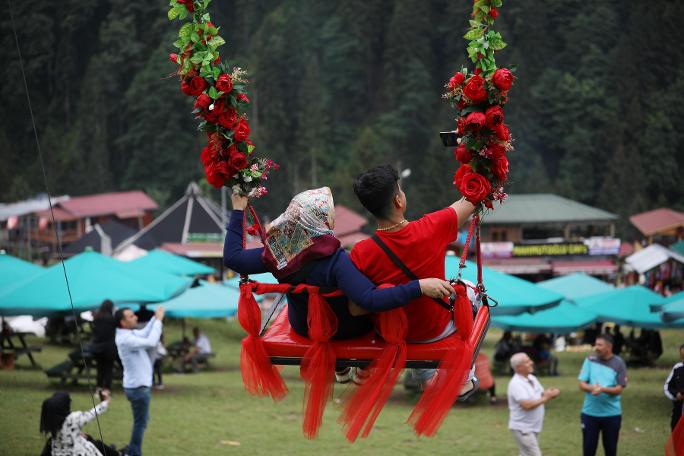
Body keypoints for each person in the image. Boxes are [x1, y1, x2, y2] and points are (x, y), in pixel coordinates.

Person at [224, 187, 454, 339]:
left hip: (302, 327)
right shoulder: (336, 261)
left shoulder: (279, 254)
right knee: (373, 299)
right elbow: (370, 299)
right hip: (341, 330)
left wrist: (238, 210)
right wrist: (419, 286)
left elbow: (233, 258)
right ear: (319, 222)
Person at [350, 164, 475, 390]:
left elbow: (357, 307)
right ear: (399, 201)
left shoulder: (361, 252)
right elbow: (473, 198)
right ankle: (465, 376)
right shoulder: (431, 228)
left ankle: (425, 374)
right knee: (471, 292)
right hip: (434, 332)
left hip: (389, 333)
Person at [115, 306, 165, 456]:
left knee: (141, 422)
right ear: (123, 323)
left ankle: (131, 451)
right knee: (140, 424)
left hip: (138, 387)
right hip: (138, 388)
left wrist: (154, 318)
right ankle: (133, 453)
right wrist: (159, 321)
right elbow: (151, 341)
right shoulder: (125, 339)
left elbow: (143, 332)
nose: (135, 317)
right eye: (131, 316)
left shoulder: (128, 333)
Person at [578, 334, 627, 456]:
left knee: (610, 450)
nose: (596, 347)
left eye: (600, 345)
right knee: (588, 450)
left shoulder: (619, 363)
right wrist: (593, 388)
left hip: (612, 415)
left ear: (609, 347)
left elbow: (619, 389)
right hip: (589, 414)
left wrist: (602, 389)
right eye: (596, 344)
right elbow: (582, 384)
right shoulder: (590, 360)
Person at [507, 352, 560, 456]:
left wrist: (551, 392)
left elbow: (540, 394)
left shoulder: (532, 378)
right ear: (518, 367)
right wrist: (546, 397)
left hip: (533, 427)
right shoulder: (516, 384)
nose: (531, 362)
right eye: (527, 362)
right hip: (523, 429)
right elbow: (526, 405)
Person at [40, 391, 120, 456]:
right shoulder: (73, 418)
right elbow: (92, 413)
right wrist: (105, 402)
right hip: (77, 452)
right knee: (96, 443)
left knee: (89, 438)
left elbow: (64, 433)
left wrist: (76, 434)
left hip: (58, 452)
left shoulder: (51, 420)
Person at [91, 299, 117, 393]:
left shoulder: (97, 318)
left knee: (100, 369)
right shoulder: (112, 319)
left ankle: (98, 388)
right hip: (109, 347)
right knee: (109, 369)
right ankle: (107, 389)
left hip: (98, 347)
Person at [664, 343, 684, 430]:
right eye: (683, 357)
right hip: (678, 412)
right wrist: (676, 395)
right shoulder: (677, 368)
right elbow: (667, 387)